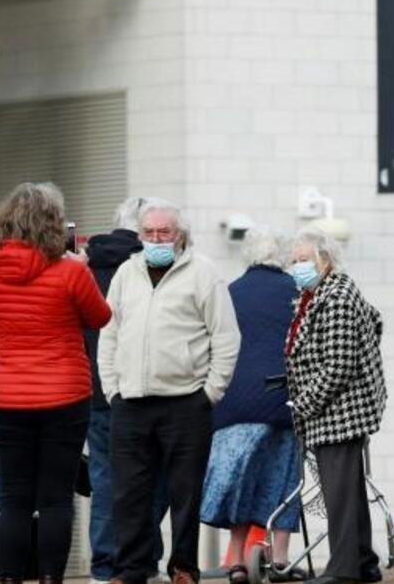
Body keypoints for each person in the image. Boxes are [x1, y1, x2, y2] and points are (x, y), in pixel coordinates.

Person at [98, 198, 240, 584]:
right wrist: (112, 388)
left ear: (180, 236)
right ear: (140, 235)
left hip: (186, 403)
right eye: (149, 233)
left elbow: (226, 337)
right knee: (128, 494)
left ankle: (183, 567)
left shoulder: (203, 273)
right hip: (130, 402)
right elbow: (109, 333)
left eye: (165, 232)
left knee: (185, 494)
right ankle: (131, 568)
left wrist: (210, 392)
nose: (156, 238)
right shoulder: (127, 273)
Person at [0, 182, 112, 584]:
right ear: (54, 223)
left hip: (9, 396)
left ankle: (9, 577)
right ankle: (52, 578)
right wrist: (82, 269)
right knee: (55, 497)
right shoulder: (71, 271)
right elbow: (100, 317)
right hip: (64, 395)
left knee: (14, 496)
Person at [284, 227, 387, 584]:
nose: (297, 267)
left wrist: (303, 403)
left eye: (303, 261)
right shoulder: (320, 293)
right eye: (294, 261)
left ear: (324, 261)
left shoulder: (336, 296)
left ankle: (344, 571)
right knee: (349, 492)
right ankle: (363, 562)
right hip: (337, 410)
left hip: (339, 412)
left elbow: (339, 364)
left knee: (339, 495)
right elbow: (375, 320)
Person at [201, 227, 304, 582]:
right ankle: (280, 558)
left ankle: (236, 560)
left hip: (235, 404)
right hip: (284, 401)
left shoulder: (231, 292)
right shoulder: (297, 292)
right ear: (285, 257)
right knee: (284, 479)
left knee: (240, 481)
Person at [82, 197, 170, 584]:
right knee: (152, 477)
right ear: (143, 232)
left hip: (95, 391)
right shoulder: (146, 269)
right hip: (141, 390)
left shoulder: (84, 266)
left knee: (104, 478)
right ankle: (144, 560)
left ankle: (105, 565)